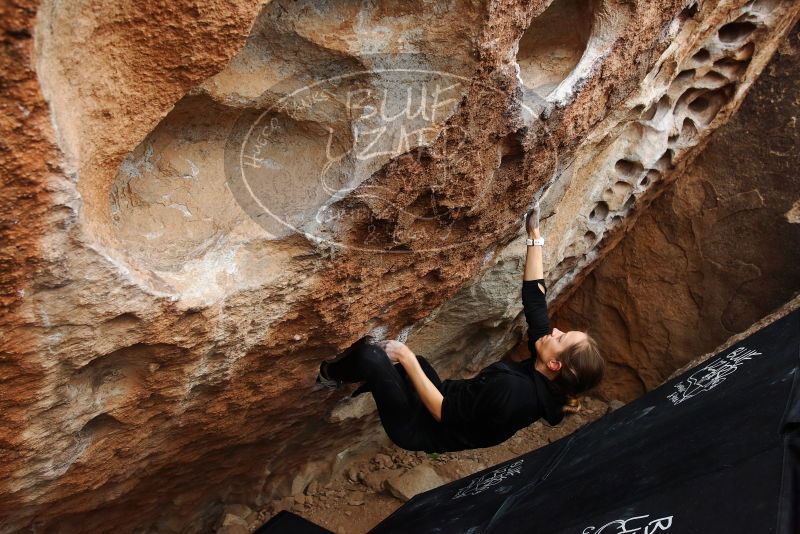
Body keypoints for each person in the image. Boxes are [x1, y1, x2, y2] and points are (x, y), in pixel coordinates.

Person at [315, 203, 605, 453]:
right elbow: (535, 301)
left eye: (561, 337)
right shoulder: (546, 376)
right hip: (444, 398)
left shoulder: (515, 392)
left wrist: (406, 357)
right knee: (413, 366)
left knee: (372, 356)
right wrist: (534, 237)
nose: (554, 331)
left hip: (419, 426)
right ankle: (367, 379)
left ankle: (327, 375)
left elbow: (443, 413)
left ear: (555, 363)